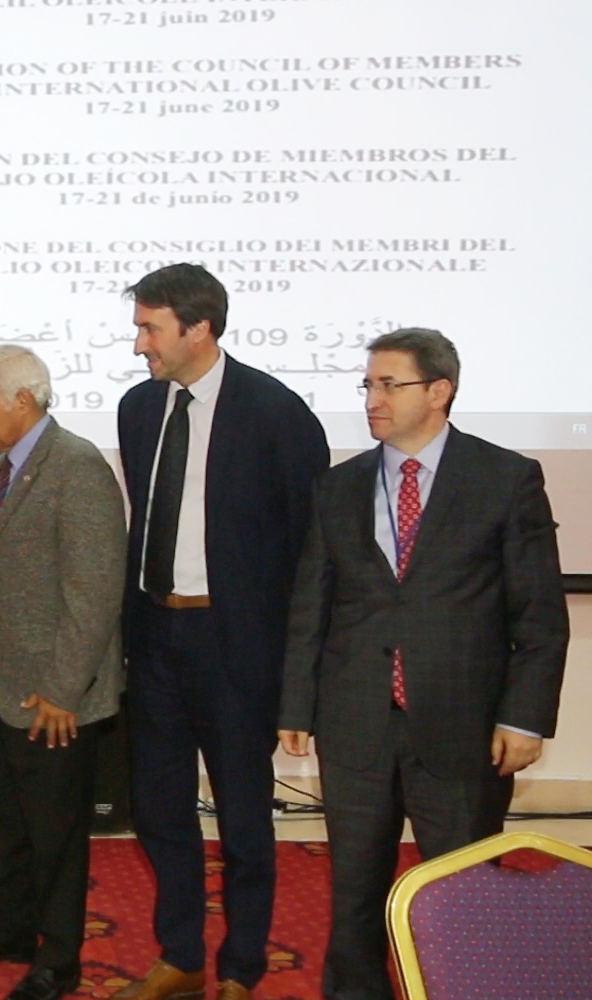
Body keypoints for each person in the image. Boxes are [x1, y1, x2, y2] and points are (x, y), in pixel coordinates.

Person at [279, 328, 568, 1000]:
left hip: (463, 724)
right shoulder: (338, 487)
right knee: (355, 890)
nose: (372, 400)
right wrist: (296, 703)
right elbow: (310, 604)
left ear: (439, 391)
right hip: (356, 720)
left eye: (389, 385)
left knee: (460, 888)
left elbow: (538, 614)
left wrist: (525, 718)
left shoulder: (505, 478)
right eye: (368, 385)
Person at [113, 265, 330, 1000]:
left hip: (236, 647)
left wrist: (297, 672)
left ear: (199, 327)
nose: (139, 344)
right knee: (159, 810)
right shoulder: (138, 409)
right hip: (155, 637)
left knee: (243, 820)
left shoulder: (277, 414)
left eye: (150, 328)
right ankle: (180, 956)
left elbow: (309, 553)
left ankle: (241, 967)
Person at [0, 347, 126, 1000]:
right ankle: (11, 927)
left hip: (53, 694)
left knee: (55, 834)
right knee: (10, 823)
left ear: (22, 401)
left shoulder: (76, 467)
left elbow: (94, 593)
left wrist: (62, 689)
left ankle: (58, 958)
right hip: (2, 676)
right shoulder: (6, 461)